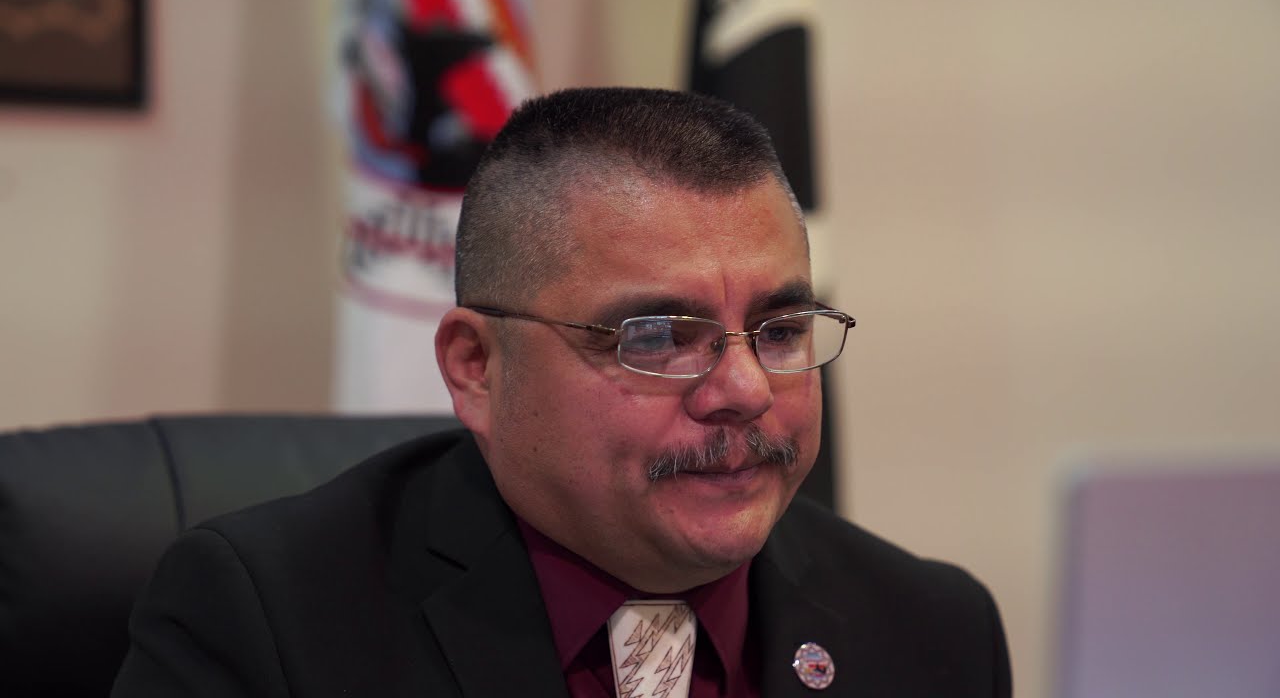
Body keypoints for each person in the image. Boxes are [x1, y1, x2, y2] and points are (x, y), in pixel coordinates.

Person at [112, 88, 1011, 697]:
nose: (743, 389)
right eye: (657, 337)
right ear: (476, 366)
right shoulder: (269, 622)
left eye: (778, 332)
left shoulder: (930, 630)